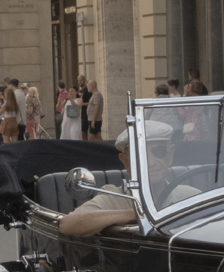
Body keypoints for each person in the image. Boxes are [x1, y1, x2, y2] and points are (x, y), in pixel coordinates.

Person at [59, 121, 194, 237]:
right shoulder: (114, 198)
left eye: (158, 151)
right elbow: (67, 224)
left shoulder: (190, 196)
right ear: (126, 162)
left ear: (170, 155)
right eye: (140, 155)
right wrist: (136, 215)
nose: (151, 162)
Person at [78, 75, 92, 141]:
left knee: (84, 132)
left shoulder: (87, 90)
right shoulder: (80, 91)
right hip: (80, 114)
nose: (79, 82)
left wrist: (81, 104)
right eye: (78, 80)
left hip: (86, 114)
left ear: (84, 80)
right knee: (82, 132)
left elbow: (90, 103)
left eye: (81, 80)